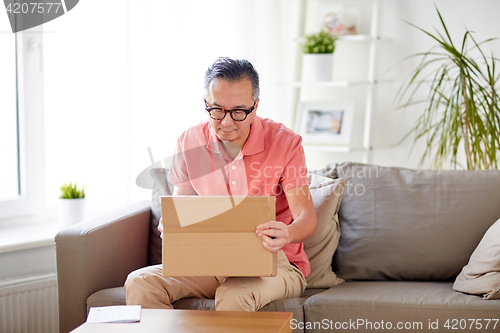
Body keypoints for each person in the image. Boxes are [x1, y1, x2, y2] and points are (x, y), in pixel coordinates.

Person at [125, 57, 317, 311]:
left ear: (255, 106)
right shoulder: (190, 140)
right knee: (140, 282)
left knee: (234, 294)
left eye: (239, 112)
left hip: (276, 263)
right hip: (210, 260)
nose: (226, 122)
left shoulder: (285, 142)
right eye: (216, 110)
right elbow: (180, 207)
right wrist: (172, 225)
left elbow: (307, 218)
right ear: (206, 103)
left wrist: (287, 234)